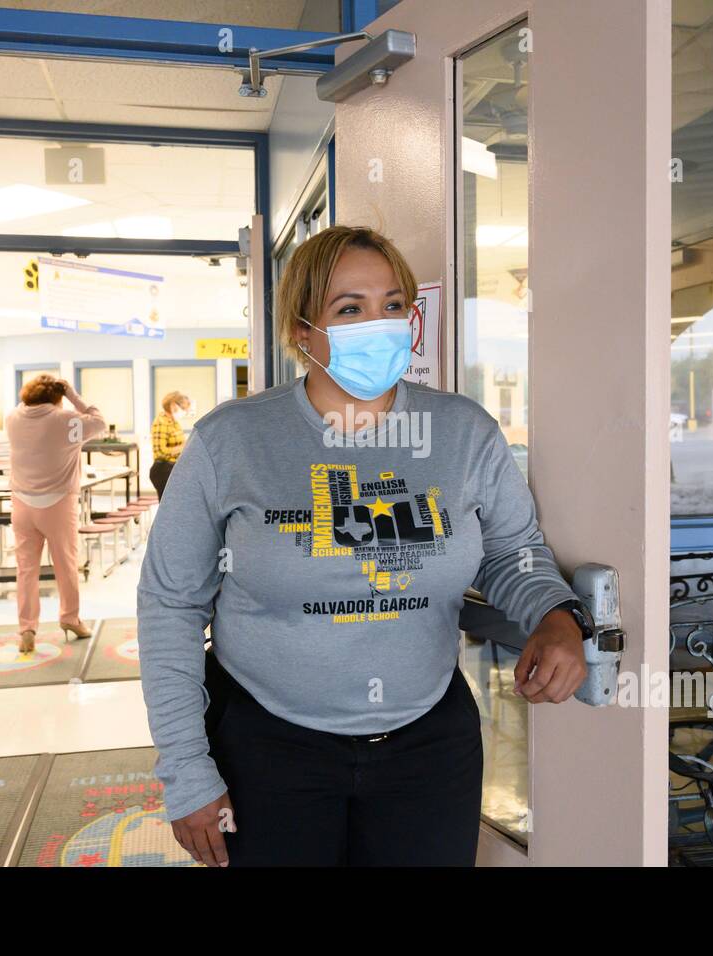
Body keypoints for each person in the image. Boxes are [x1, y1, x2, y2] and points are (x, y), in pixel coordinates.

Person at [137, 225, 591, 867]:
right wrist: (186, 769)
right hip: (268, 747)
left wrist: (556, 617)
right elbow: (169, 606)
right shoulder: (231, 442)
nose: (378, 324)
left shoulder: (463, 433)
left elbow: (512, 549)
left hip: (427, 744)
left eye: (394, 305)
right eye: (349, 308)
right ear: (301, 331)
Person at [5, 375, 106, 653]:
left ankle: (27, 628)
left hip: (22, 506)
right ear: (57, 397)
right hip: (58, 504)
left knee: (26, 570)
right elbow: (98, 420)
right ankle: (70, 618)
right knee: (65, 564)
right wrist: (72, 394)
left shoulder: (12, 418)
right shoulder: (66, 420)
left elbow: (26, 404)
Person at [148, 390, 190, 498]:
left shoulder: (174, 422)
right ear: (173, 405)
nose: (184, 412)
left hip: (173, 468)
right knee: (169, 510)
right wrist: (182, 447)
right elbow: (161, 452)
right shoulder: (161, 422)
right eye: (183, 408)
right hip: (163, 470)